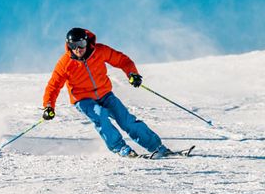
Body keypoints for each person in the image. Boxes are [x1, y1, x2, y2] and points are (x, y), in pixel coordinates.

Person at [41, 27, 169, 158]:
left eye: (81, 44)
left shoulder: (100, 51)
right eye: (73, 45)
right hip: (83, 99)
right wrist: (49, 106)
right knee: (100, 115)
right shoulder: (65, 63)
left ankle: (158, 147)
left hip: (105, 94)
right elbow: (53, 86)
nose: (77, 49)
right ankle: (120, 147)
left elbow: (122, 60)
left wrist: (132, 74)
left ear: (87, 42)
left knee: (126, 120)